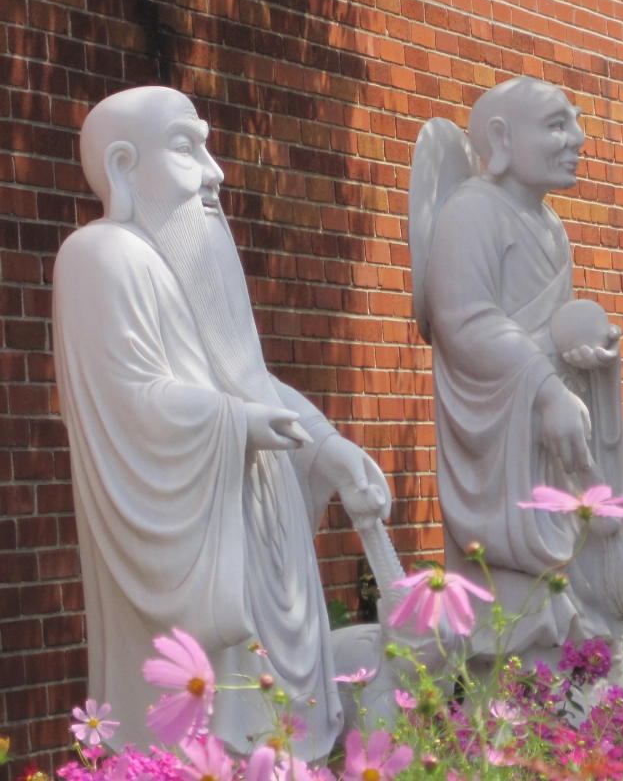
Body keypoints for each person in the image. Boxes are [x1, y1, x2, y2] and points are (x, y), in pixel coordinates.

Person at [53, 86, 391, 759]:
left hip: (260, 536)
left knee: (286, 739)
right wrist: (233, 423)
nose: (216, 173)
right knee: (206, 744)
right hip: (196, 540)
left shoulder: (191, 264)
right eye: (188, 149)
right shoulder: (102, 254)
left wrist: (324, 447)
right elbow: (127, 399)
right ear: (123, 167)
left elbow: (247, 378)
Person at [412, 77, 623, 681]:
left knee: (581, 601)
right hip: (507, 432)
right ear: (501, 137)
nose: (579, 139)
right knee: (521, 622)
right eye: (557, 124)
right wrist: (543, 388)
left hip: (550, 429)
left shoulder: (550, 226)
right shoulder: (471, 212)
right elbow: (464, 322)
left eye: (577, 122)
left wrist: (589, 360)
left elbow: (546, 327)